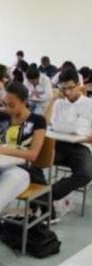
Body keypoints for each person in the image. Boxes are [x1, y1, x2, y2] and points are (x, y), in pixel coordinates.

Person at [0, 81, 46, 266]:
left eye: (13, 105)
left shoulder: (37, 121)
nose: (8, 108)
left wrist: (2, 150)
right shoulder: (0, 118)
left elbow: (33, 154)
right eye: (5, 103)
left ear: (24, 101)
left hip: (20, 170)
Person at [45, 68, 92, 222]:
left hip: (80, 147)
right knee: (35, 163)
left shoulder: (89, 105)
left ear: (79, 85)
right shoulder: (59, 103)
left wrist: (82, 138)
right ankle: (47, 207)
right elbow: (45, 124)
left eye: (70, 87)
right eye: (63, 88)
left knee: (86, 174)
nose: (67, 92)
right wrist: (52, 100)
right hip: (59, 144)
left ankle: (46, 197)